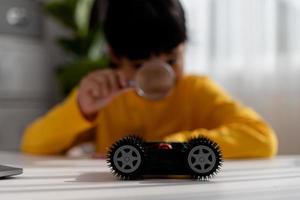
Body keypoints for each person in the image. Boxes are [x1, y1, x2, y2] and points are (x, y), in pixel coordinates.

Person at [21, 0, 277, 158]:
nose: (158, 76)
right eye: (139, 65)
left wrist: (172, 148)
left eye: (171, 61)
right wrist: (81, 110)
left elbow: (262, 138)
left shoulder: (196, 91)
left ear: (184, 47)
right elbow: (33, 144)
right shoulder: (104, 97)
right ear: (115, 56)